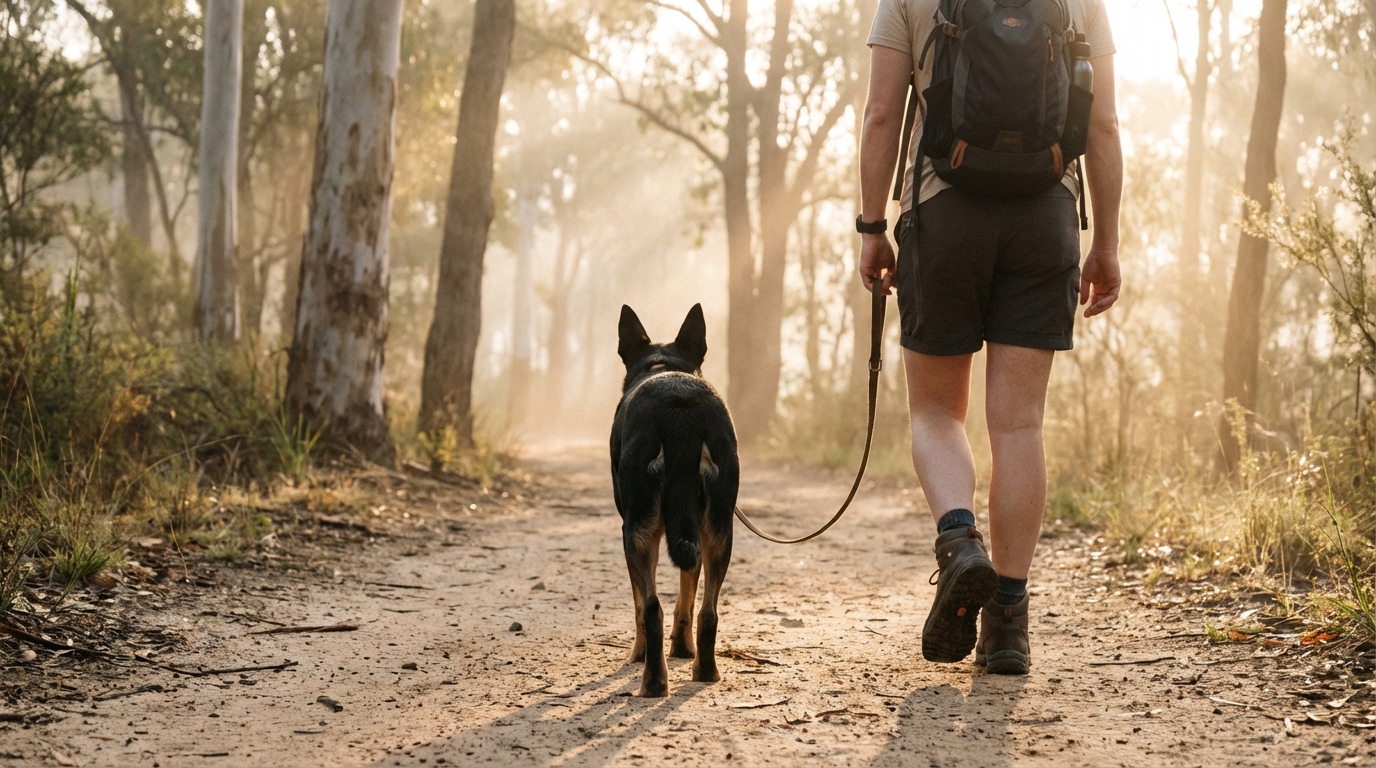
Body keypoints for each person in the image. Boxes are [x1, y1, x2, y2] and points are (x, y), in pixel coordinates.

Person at [857, 0, 1122, 674]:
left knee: (937, 411)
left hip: (943, 211)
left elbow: (883, 114)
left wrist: (870, 228)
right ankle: (1008, 621)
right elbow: (1105, 124)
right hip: (1046, 217)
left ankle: (958, 541)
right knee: (1018, 425)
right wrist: (1108, 244)